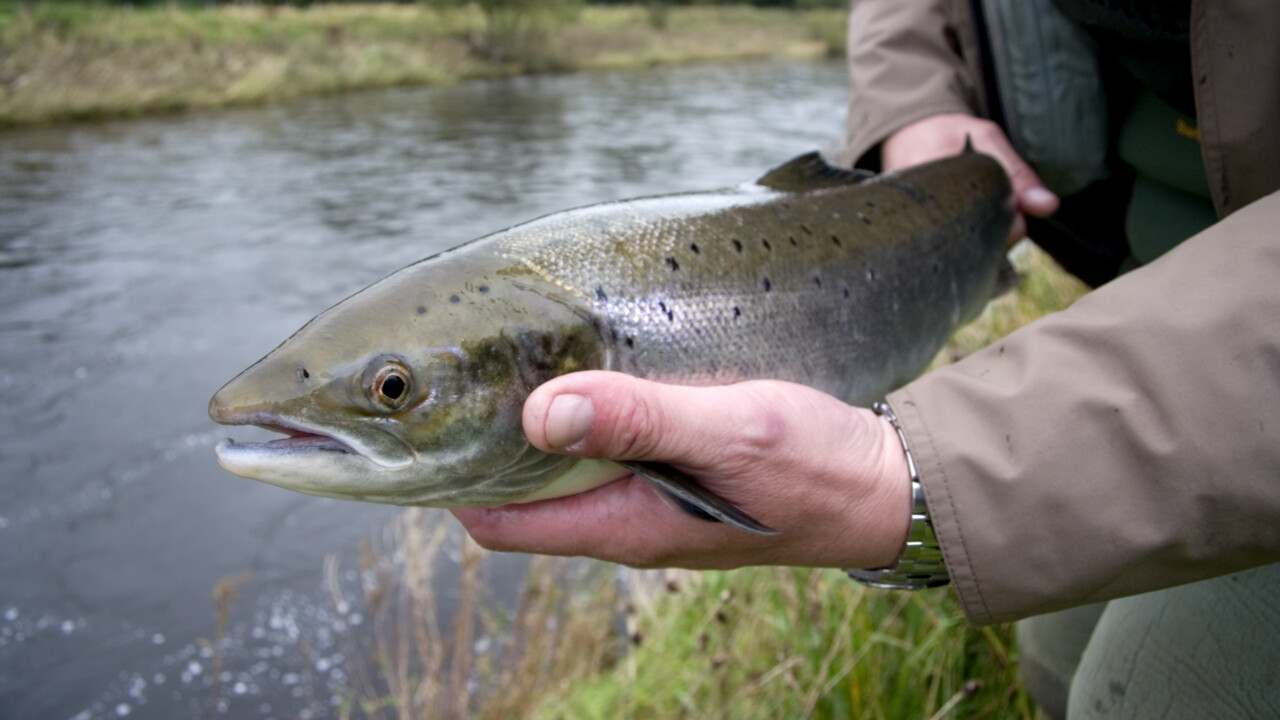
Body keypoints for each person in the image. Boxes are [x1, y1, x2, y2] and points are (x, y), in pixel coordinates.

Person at [454, 1, 1280, 717]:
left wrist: (906, 486)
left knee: (1144, 694)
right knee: (1055, 663)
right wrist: (913, 102)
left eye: (392, 389)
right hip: (1153, 242)